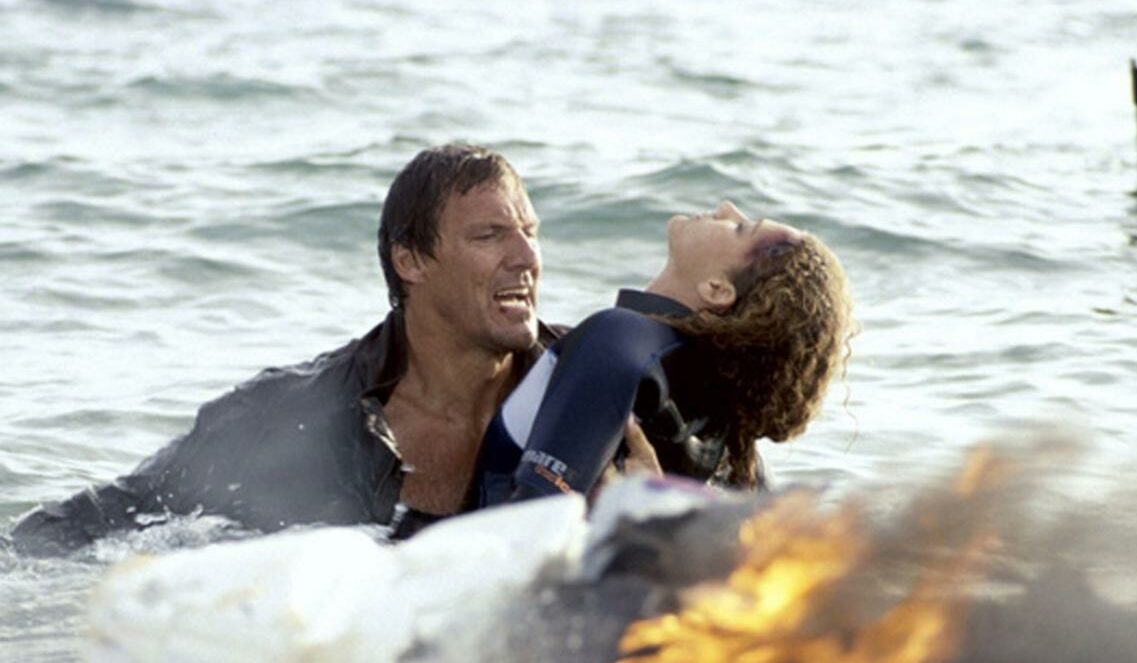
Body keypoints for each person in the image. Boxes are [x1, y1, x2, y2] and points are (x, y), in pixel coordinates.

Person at [11, 144, 564, 555]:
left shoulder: (589, 385)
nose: (526, 257)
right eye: (489, 235)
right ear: (411, 261)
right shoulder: (290, 414)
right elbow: (86, 524)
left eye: (530, 231)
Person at [473, 201, 852, 507]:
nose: (726, 208)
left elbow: (532, 517)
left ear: (717, 289)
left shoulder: (619, 340)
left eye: (741, 228)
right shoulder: (735, 454)